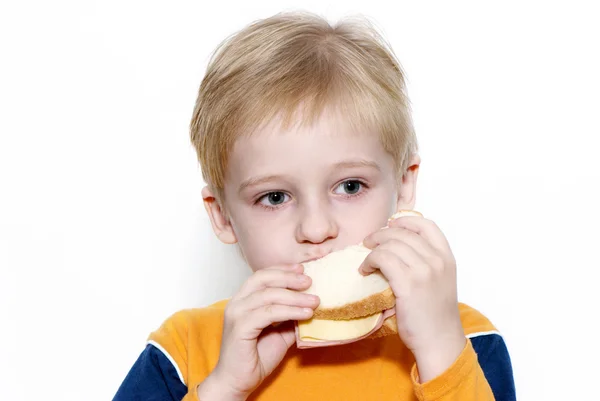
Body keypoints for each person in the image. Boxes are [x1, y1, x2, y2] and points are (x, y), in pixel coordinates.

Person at [113, 11, 516, 401]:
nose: (316, 229)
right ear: (222, 215)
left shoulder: (462, 340)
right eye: (274, 197)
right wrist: (223, 390)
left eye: (350, 186)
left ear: (404, 183)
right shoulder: (183, 351)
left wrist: (439, 349)